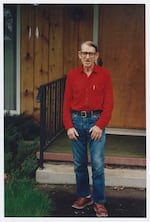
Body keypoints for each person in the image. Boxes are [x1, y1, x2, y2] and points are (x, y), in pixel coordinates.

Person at [63, 40, 114, 217]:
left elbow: (109, 104)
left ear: (96, 56)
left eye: (91, 53)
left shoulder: (104, 75)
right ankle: (85, 195)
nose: (87, 57)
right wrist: (69, 126)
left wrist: (100, 125)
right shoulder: (72, 75)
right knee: (79, 164)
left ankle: (99, 201)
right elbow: (65, 104)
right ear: (79, 55)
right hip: (76, 123)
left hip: (96, 123)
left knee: (98, 165)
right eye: (84, 53)